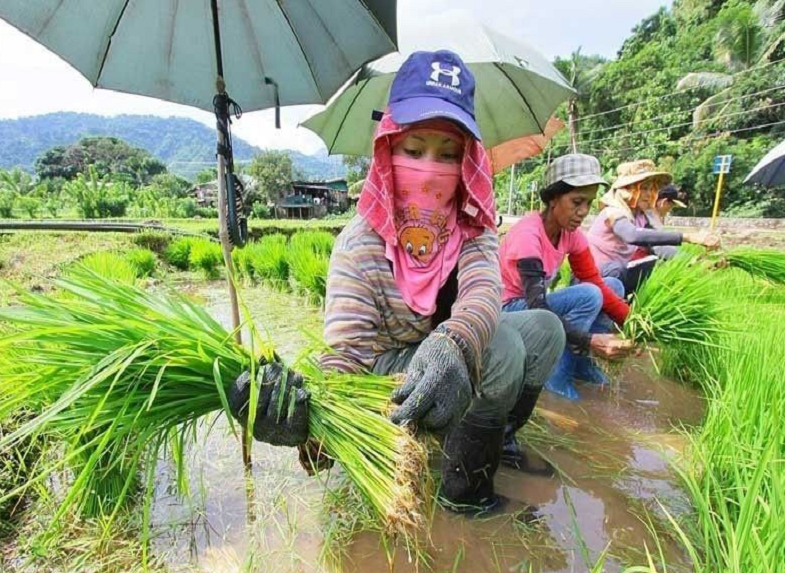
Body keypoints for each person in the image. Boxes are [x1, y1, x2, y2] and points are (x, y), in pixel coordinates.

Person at [230, 49, 565, 514]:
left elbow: (484, 293)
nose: (430, 168)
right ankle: (462, 494)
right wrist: (313, 418)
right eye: (414, 150)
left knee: (545, 330)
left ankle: (489, 440)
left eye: (448, 154)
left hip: (447, 348)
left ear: (466, 162)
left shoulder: (472, 222)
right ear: (389, 147)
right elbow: (346, 354)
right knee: (504, 350)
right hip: (386, 371)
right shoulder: (361, 244)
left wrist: (456, 342)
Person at [499, 154, 634, 402]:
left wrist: (634, 323)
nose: (583, 212)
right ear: (553, 199)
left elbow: (596, 281)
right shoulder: (528, 235)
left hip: (532, 306)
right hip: (506, 311)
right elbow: (536, 306)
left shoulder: (570, 234)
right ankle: (555, 374)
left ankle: (580, 366)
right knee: (588, 296)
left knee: (612, 287)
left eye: (588, 203)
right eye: (576, 202)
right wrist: (590, 340)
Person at [588, 160, 719, 297]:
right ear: (627, 190)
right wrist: (688, 237)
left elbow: (659, 247)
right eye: (643, 188)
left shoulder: (640, 217)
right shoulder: (613, 212)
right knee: (621, 271)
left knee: (648, 265)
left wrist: (695, 262)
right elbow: (632, 235)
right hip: (592, 275)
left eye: (652, 189)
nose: (649, 194)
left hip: (613, 276)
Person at [630, 184, 689, 262]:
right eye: (671, 205)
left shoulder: (649, 216)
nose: (670, 210)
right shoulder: (647, 219)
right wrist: (688, 259)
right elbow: (658, 247)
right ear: (663, 202)